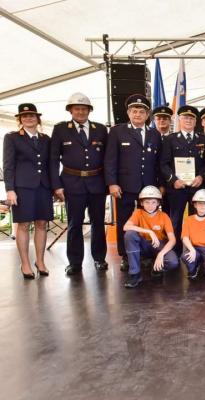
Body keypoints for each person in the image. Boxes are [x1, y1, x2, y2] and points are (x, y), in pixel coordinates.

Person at [50, 92, 109, 275]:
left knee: (98, 223)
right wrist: (56, 185)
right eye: (77, 109)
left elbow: (108, 158)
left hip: (97, 183)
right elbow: (53, 159)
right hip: (72, 183)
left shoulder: (100, 129)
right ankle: (75, 262)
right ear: (70, 110)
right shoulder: (60, 129)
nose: (81, 112)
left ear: (89, 110)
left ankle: (99, 258)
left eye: (84, 109)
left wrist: (109, 183)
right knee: (75, 224)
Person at [105, 94, 162, 270]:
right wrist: (112, 183)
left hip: (149, 187)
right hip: (125, 186)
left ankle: (145, 253)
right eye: (134, 111)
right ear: (128, 113)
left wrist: (160, 185)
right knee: (124, 221)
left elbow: (158, 162)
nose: (137, 114)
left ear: (147, 115)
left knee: (147, 221)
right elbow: (110, 160)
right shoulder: (117, 132)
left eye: (141, 111)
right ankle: (126, 255)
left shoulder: (154, 134)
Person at [3, 103, 52, 279]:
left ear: (37, 118)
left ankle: (40, 261)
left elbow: (50, 164)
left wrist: (54, 187)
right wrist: (10, 190)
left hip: (44, 187)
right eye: (24, 116)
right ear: (20, 119)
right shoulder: (12, 138)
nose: (29, 118)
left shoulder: (46, 139)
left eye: (32, 115)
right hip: (22, 188)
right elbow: (8, 166)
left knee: (41, 224)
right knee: (23, 225)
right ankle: (25, 264)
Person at [160, 105, 205, 255]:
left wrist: (201, 176)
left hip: (197, 188)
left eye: (191, 118)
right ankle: (174, 252)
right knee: (175, 221)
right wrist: (173, 180)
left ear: (196, 121)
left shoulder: (204, 139)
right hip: (177, 188)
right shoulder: (170, 139)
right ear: (179, 119)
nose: (188, 120)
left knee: (198, 221)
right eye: (185, 117)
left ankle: (196, 252)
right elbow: (163, 163)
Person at [122, 185, 178, 288]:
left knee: (173, 262)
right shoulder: (138, 213)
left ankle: (156, 268)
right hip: (143, 244)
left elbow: (172, 240)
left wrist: (161, 254)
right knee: (129, 234)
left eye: (153, 202)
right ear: (142, 203)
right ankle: (135, 274)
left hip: (159, 245)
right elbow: (126, 227)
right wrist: (149, 232)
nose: (150, 205)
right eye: (147, 202)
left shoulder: (164, 216)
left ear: (158, 203)